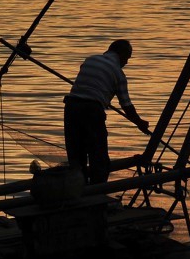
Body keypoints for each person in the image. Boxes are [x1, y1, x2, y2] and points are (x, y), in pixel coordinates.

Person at [64, 38, 151, 184]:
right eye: (127, 58)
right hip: (92, 110)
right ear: (121, 54)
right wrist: (139, 123)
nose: (126, 63)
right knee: (99, 158)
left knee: (76, 157)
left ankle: (79, 191)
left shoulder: (90, 60)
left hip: (71, 107)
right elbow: (126, 105)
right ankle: (97, 195)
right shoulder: (118, 73)